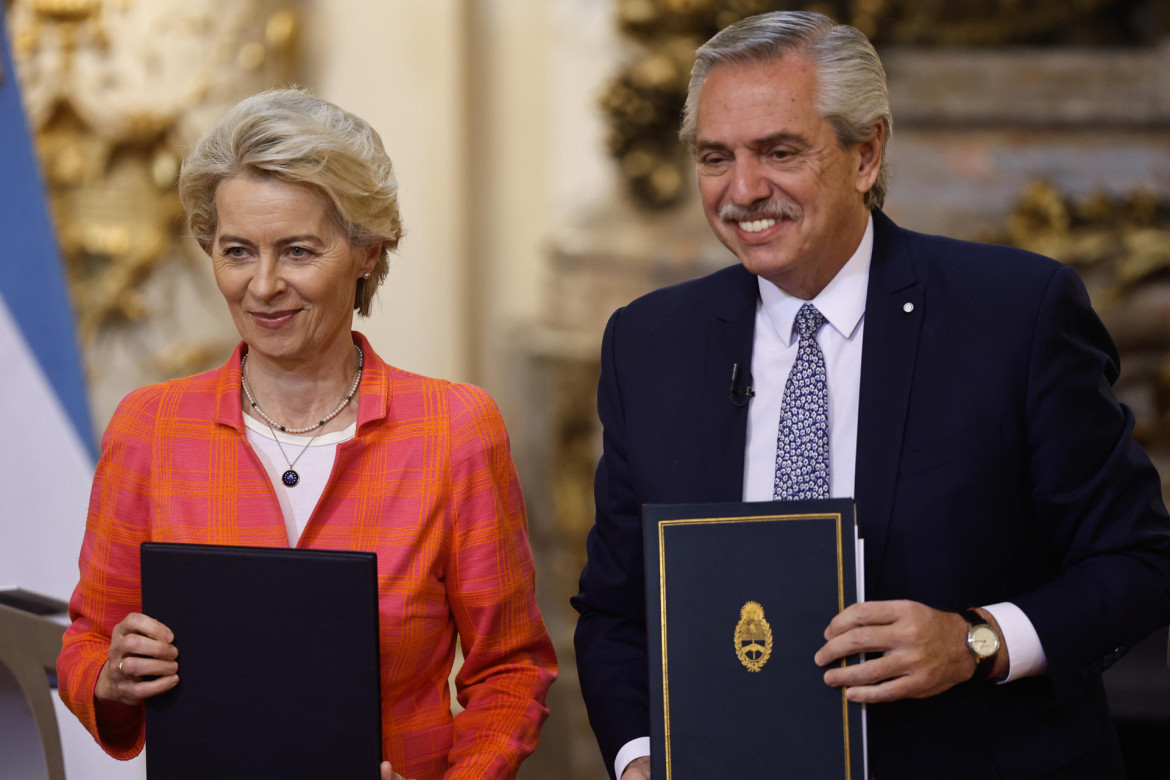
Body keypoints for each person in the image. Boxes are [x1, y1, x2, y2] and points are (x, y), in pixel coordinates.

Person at [571, 11, 1170, 779]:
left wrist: (977, 641)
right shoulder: (649, 342)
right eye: (715, 157)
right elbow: (617, 611)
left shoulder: (1015, 313)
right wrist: (641, 758)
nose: (743, 190)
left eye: (779, 151)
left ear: (867, 153)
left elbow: (1139, 560)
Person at [57, 88, 557, 780]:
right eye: (236, 251)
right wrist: (111, 677)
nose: (262, 286)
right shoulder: (149, 426)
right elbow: (86, 640)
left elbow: (511, 672)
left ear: (366, 254)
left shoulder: (455, 430)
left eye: (296, 251)